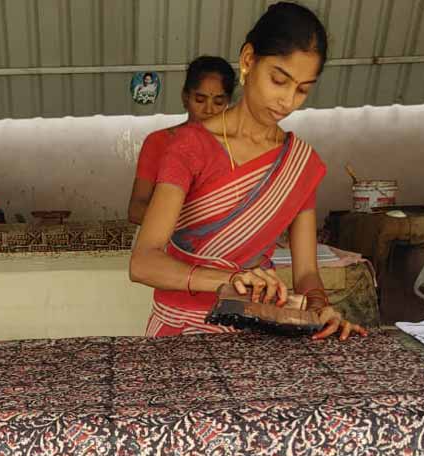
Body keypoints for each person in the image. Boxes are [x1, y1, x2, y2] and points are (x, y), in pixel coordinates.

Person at [130, 1, 367, 342]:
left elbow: (305, 272)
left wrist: (320, 308)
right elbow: (144, 263)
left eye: (302, 90)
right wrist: (231, 281)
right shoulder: (189, 146)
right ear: (247, 61)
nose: (287, 101)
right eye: (278, 80)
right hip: (179, 332)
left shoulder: (300, 164)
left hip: (259, 332)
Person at [128, 57, 235, 225]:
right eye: (200, 100)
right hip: (167, 243)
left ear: (228, 102)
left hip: (221, 245)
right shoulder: (158, 141)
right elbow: (136, 210)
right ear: (185, 98)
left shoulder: (238, 146)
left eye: (218, 102)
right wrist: (191, 225)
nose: (208, 110)